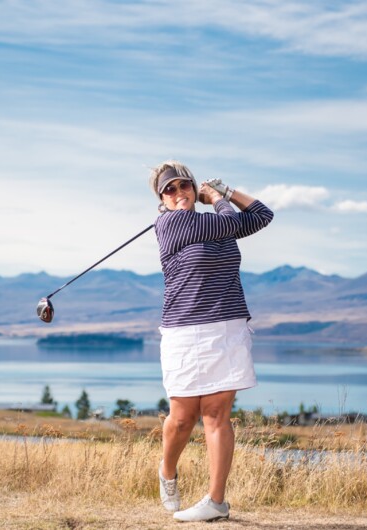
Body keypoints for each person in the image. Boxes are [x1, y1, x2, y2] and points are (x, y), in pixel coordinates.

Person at [149, 160, 274, 522]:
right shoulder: (169, 223)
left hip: (228, 327)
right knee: (182, 419)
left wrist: (229, 191)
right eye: (168, 190)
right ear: (161, 199)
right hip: (184, 331)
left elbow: (262, 215)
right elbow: (233, 221)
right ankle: (168, 472)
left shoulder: (214, 224)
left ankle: (216, 502)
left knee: (217, 416)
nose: (178, 193)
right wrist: (217, 197)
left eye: (183, 186)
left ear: (191, 187)